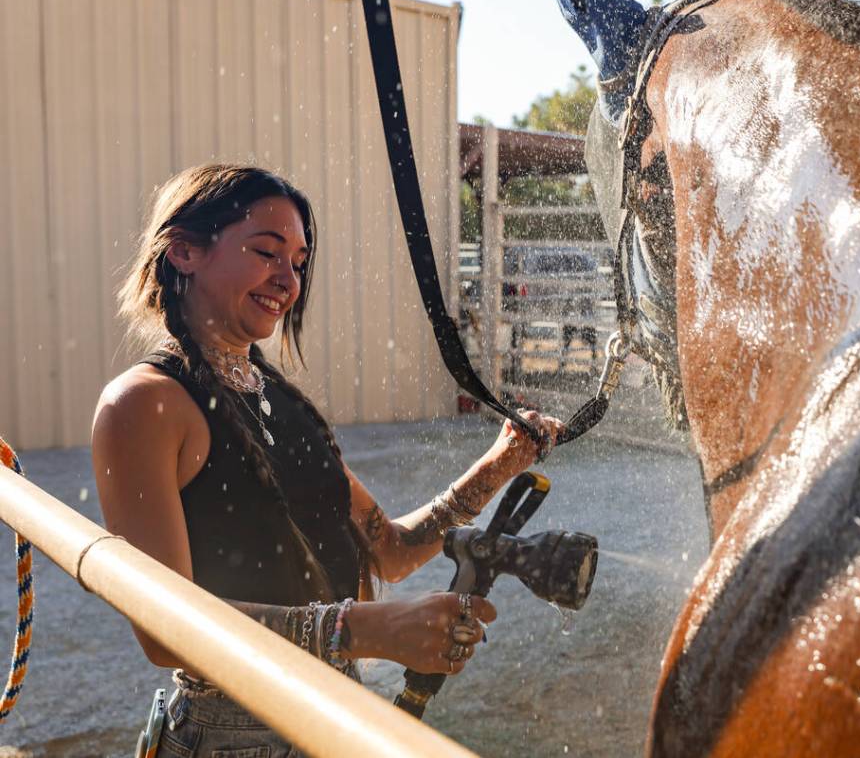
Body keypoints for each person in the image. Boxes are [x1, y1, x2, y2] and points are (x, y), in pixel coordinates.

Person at [92, 164, 562, 756]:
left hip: (334, 711)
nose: (287, 280)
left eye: (298, 262)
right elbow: (166, 630)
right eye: (267, 252)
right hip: (232, 735)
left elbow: (389, 550)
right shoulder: (142, 405)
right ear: (185, 251)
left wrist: (501, 461)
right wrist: (369, 629)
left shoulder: (275, 398)